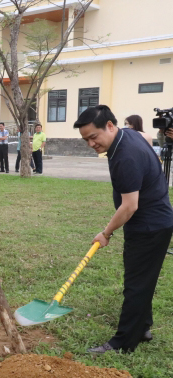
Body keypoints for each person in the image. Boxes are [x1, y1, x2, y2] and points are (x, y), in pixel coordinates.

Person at [74, 105, 173, 354]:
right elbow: (145, 138)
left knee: (136, 284)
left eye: (93, 137)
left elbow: (129, 206)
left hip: (148, 227)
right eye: (86, 139)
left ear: (109, 126)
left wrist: (105, 233)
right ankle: (143, 326)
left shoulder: (125, 156)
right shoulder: (127, 135)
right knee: (143, 279)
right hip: (155, 222)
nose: (91, 144)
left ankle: (124, 342)